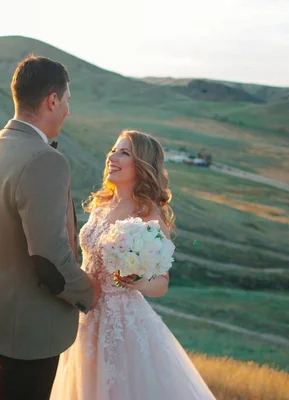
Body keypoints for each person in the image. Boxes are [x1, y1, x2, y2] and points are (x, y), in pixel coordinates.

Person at [0, 55, 101, 400]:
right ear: (52, 100)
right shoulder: (45, 160)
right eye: (67, 100)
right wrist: (89, 292)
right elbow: (50, 260)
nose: (68, 110)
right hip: (29, 330)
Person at [50, 130, 216, 400]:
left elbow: (162, 282)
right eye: (113, 150)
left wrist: (139, 281)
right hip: (85, 317)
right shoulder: (101, 204)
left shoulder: (147, 212)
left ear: (141, 165)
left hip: (121, 324)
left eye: (124, 152)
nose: (112, 157)